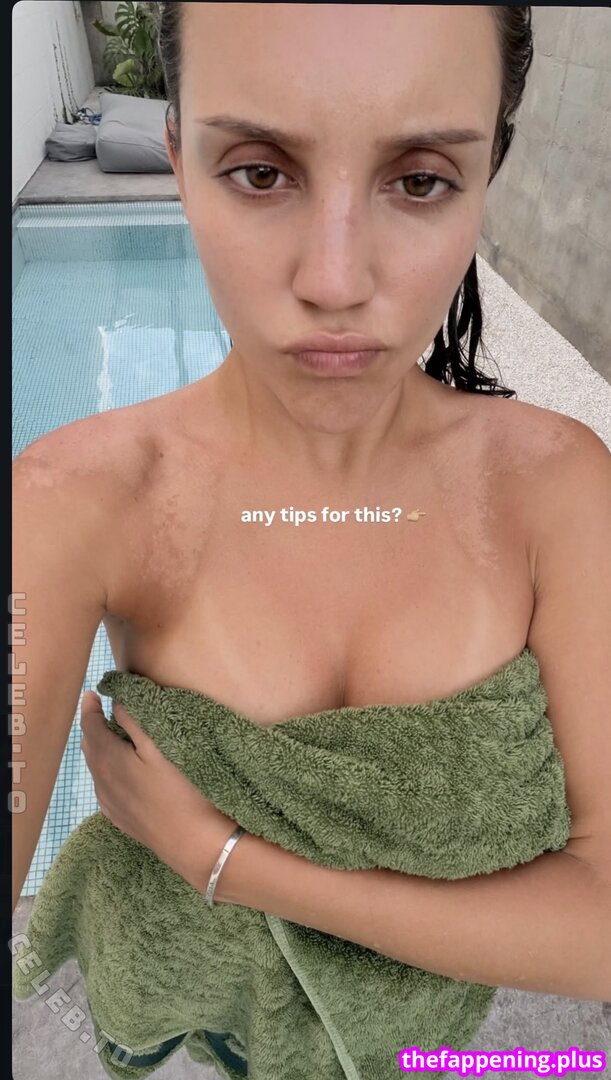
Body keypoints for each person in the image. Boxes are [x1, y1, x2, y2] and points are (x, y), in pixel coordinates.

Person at [12, 5, 611, 1069]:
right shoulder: (71, 502)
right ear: (177, 159)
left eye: (419, 179)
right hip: (181, 1016)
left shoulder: (555, 489)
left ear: (487, 174)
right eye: (258, 171)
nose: (334, 282)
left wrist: (222, 858)